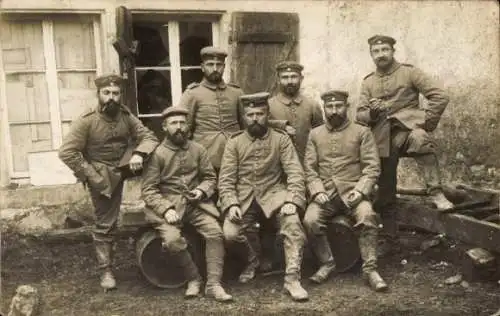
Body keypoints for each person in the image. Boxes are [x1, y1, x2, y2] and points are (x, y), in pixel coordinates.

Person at [58, 74, 159, 291]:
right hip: (101, 176)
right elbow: (67, 152)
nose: (111, 98)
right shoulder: (87, 121)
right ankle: (106, 271)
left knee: (157, 160)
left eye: (115, 93)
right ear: (98, 95)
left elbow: (149, 137)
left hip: (124, 168)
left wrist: (139, 154)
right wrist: (92, 176)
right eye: (106, 93)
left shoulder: (126, 116)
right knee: (106, 224)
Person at [356, 35, 454, 249]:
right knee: (385, 184)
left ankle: (436, 192)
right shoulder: (368, 82)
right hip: (382, 138)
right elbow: (359, 115)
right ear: (371, 55)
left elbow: (439, 96)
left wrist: (425, 121)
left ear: (393, 51)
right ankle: (391, 236)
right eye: (376, 51)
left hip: (408, 131)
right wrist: (372, 113)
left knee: (421, 138)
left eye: (385, 49)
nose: (381, 54)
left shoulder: (409, 72)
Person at [218, 92, 309, 301]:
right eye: (250, 114)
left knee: (293, 223)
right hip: (244, 196)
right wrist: (231, 203)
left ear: (268, 114)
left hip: (275, 194)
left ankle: (292, 279)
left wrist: (292, 201)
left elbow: (295, 172)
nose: (255, 118)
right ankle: (252, 260)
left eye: (260, 113)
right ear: (244, 117)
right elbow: (226, 179)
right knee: (230, 233)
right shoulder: (234, 142)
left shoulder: (281, 139)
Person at [141, 107, 232, 302]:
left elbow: (210, 177)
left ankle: (214, 284)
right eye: (174, 123)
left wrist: (201, 191)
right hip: (167, 208)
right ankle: (194, 279)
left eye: (182, 123)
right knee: (173, 240)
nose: (179, 128)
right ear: (165, 127)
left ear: (188, 126)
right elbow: (148, 190)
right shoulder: (157, 154)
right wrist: (165, 209)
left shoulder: (198, 149)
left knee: (215, 233)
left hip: (196, 205)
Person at [303, 90, 388, 291]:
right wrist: (317, 191)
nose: (334, 111)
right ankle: (327, 263)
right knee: (311, 220)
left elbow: (372, 167)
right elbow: (310, 169)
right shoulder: (315, 134)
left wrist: (360, 190)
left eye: (338, 106)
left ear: (346, 107)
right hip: (326, 195)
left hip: (353, 193)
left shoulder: (362, 132)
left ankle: (370, 269)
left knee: (367, 216)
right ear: (324, 109)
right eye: (329, 107)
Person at [268, 61, 324, 163]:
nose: (289, 81)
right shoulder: (269, 106)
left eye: (294, 77)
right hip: (277, 164)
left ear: (301, 79)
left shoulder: (312, 105)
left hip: (306, 163)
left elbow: (320, 136)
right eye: (285, 77)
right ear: (278, 80)